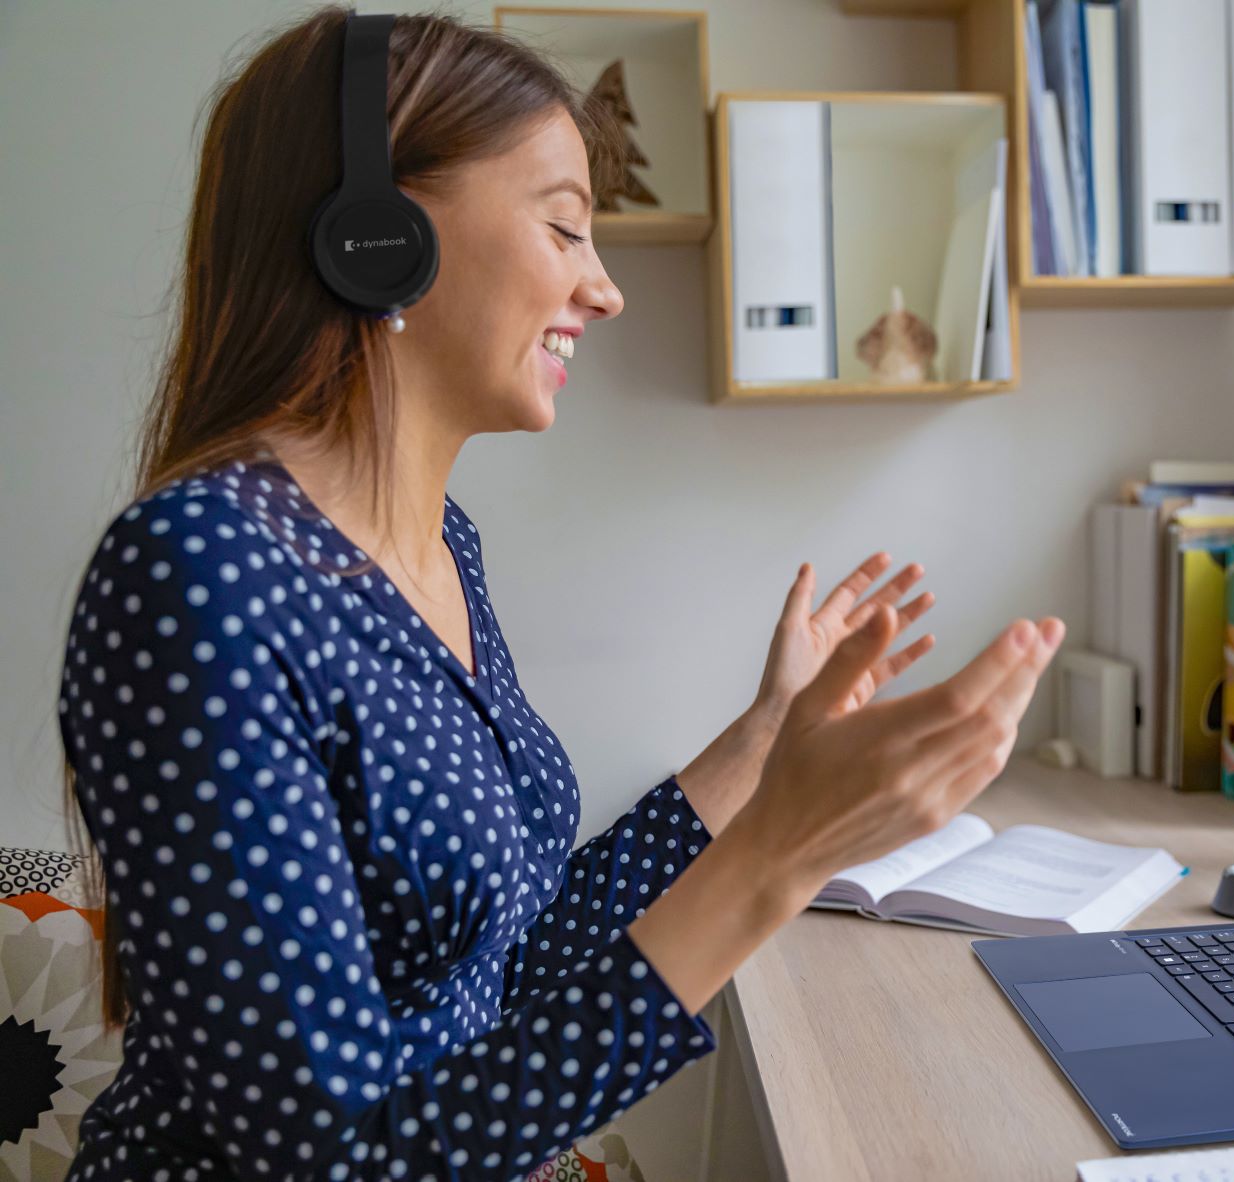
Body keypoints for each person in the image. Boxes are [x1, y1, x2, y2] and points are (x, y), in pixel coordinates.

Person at [52, 11, 1067, 1177]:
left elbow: (510, 964)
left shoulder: (443, 550)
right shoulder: (197, 578)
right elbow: (330, 1160)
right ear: (377, 235)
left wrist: (764, 743)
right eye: (566, 229)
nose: (604, 291)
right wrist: (779, 856)